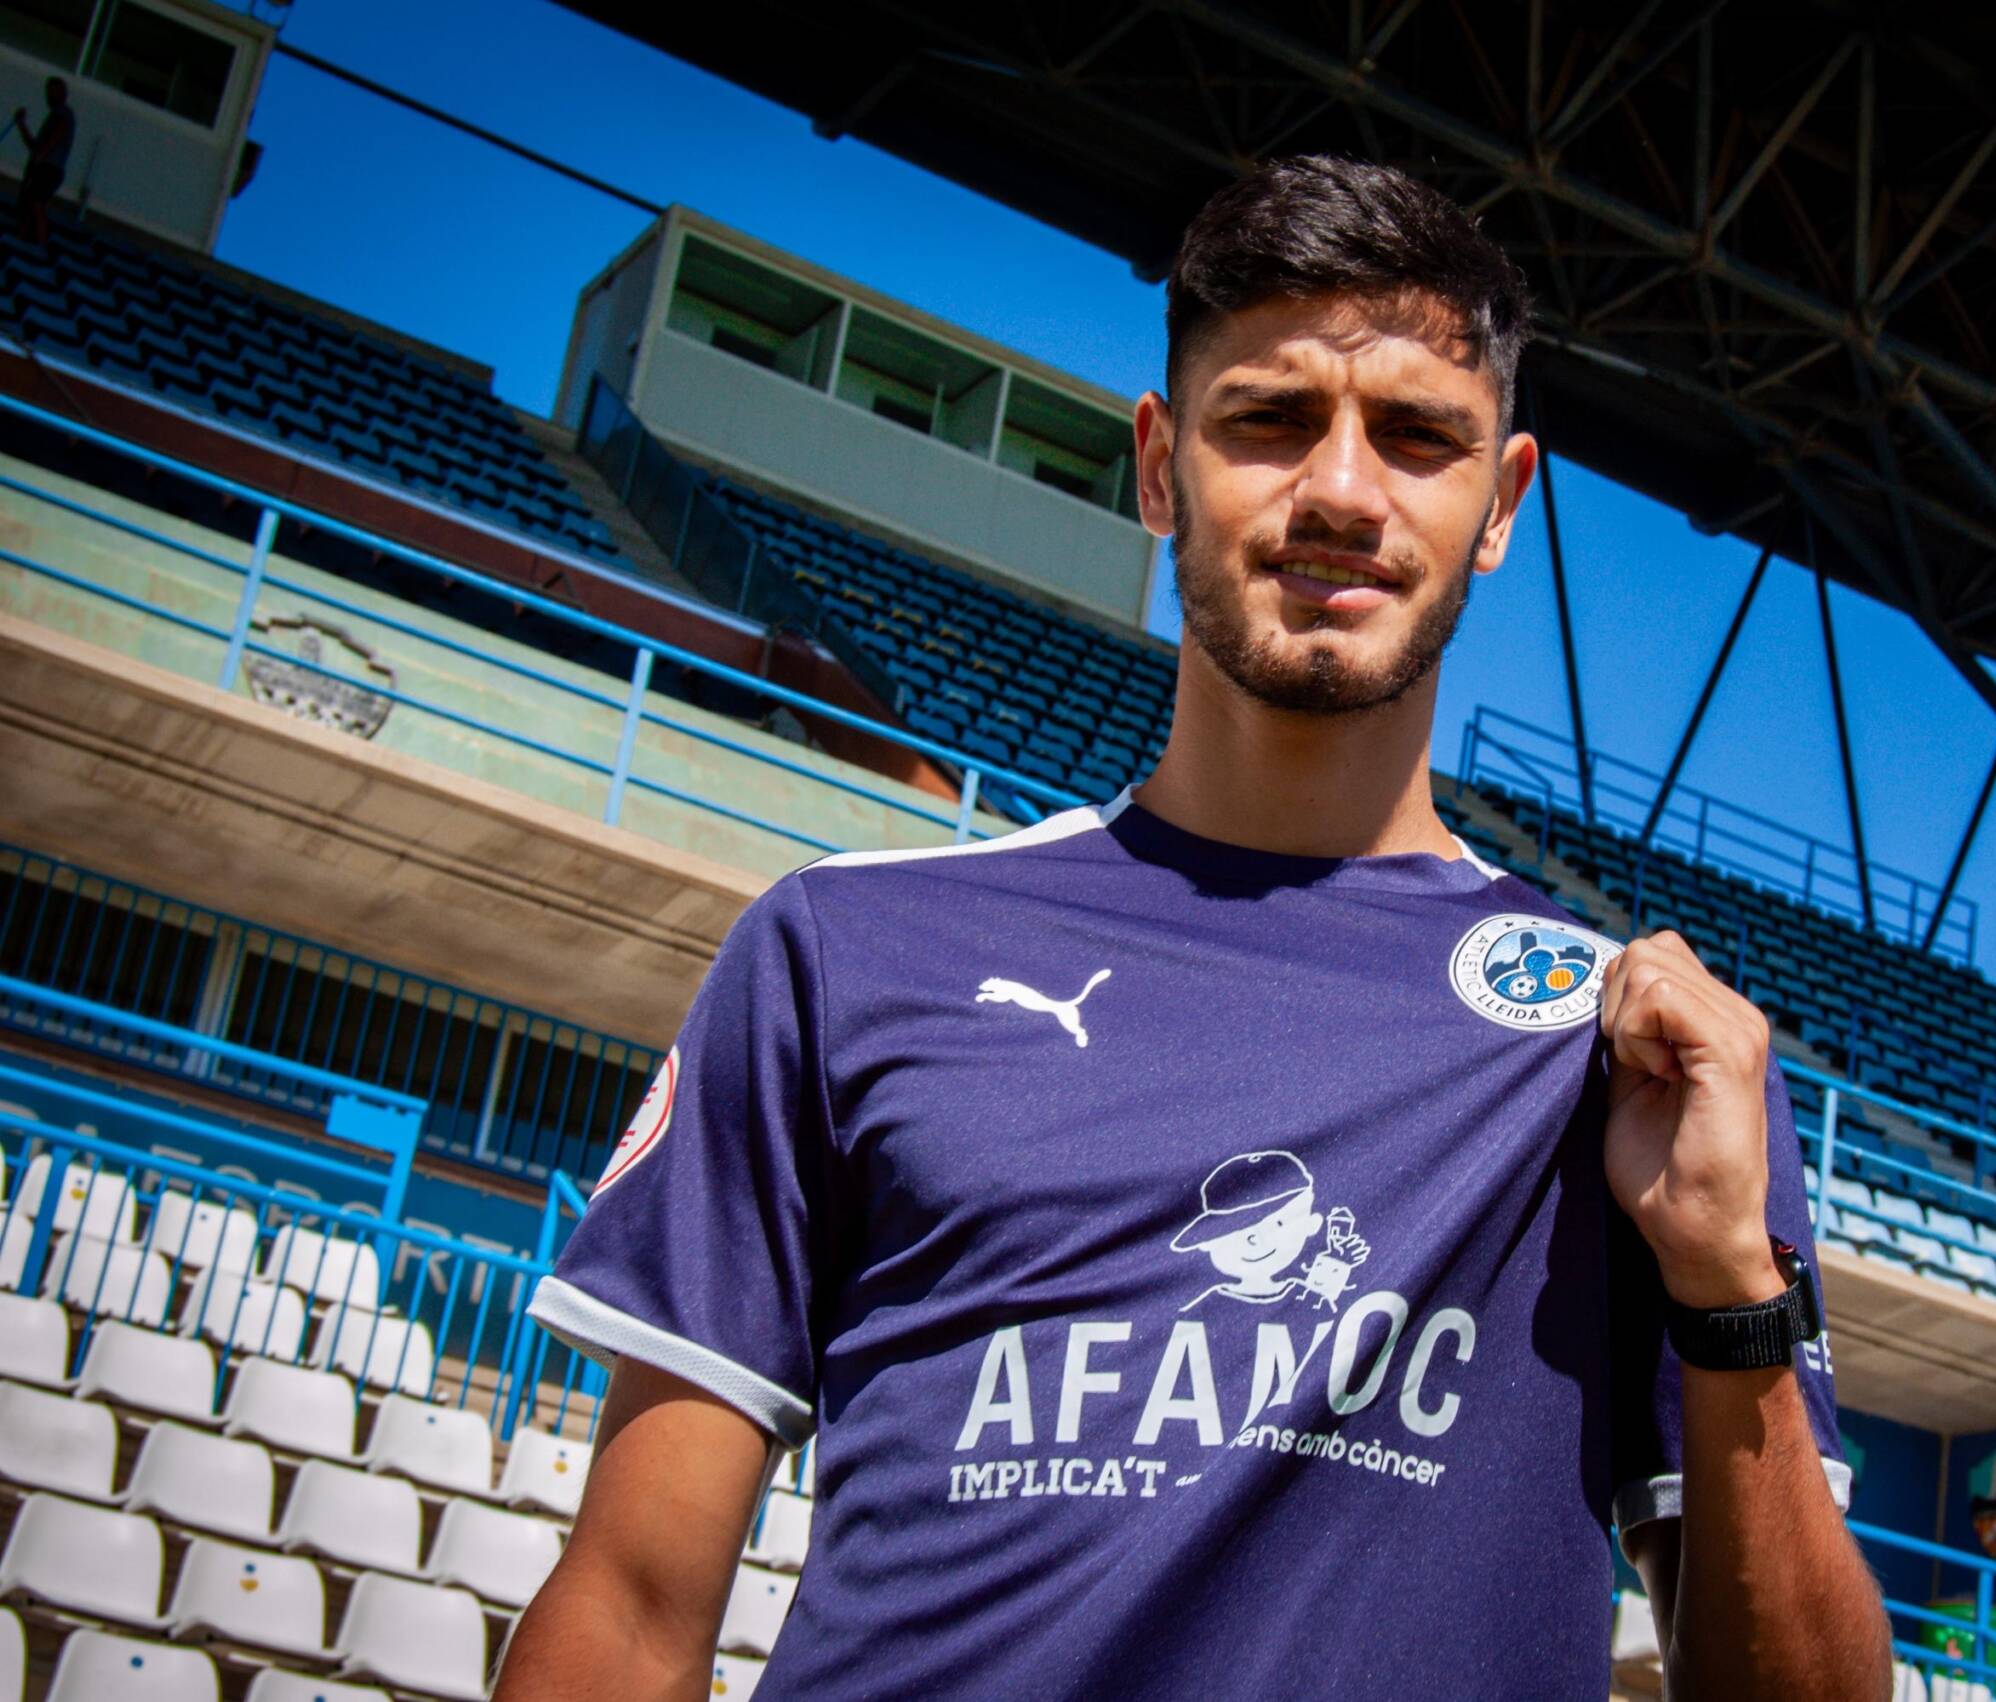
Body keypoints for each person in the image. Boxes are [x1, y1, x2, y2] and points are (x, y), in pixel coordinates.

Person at [498, 155, 1892, 1700]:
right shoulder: (845, 953)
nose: (1343, 491)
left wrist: (1728, 1286)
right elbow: (629, 1610)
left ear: (1500, 503)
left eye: (1418, 435)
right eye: (1273, 418)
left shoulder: (1635, 1060)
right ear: (1161, 466)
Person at [11, 76, 73, 243]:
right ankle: (22, 238)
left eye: (53, 91)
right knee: (28, 203)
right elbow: (35, 147)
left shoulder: (63, 114)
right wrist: (21, 125)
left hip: (49, 168)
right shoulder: (52, 117)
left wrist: (42, 153)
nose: (49, 95)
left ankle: (40, 243)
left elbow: (59, 131)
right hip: (41, 167)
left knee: (37, 203)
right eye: (49, 91)